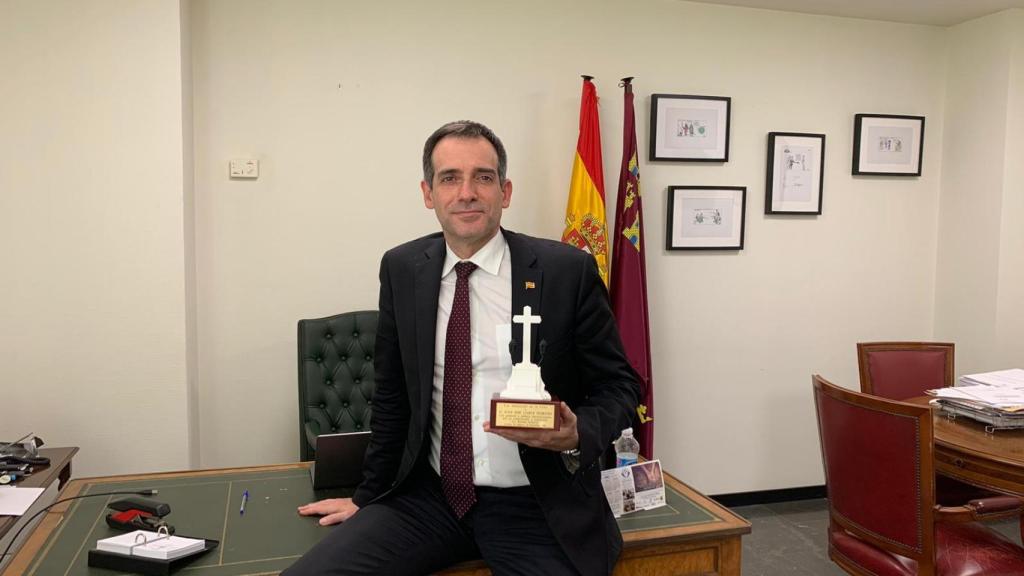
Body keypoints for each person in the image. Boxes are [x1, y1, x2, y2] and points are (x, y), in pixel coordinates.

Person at [284, 120, 640, 576]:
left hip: (535, 503)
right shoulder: (403, 268)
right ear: (428, 193)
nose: (466, 192)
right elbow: (393, 395)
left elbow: (620, 387)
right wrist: (367, 499)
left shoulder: (565, 271)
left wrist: (576, 434)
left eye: (483, 177)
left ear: (505, 192)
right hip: (429, 498)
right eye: (450, 178)